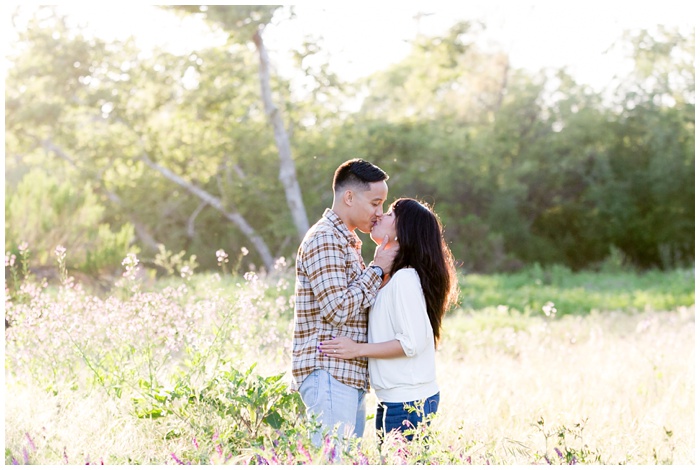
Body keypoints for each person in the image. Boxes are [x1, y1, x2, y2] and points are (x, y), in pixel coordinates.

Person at [319, 198, 459, 443]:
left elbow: (410, 343)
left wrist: (356, 350)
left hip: (408, 402)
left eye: (391, 214)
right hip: (394, 400)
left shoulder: (405, 279)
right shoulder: (390, 277)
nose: (381, 215)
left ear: (404, 232)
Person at [291, 158, 399, 447]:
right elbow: (337, 310)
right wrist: (376, 270)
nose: (379, 213)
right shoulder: (325, 238)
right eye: (375, 203)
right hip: (329, 371)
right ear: (349, 197)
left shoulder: (347, 241)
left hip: (345, 374)